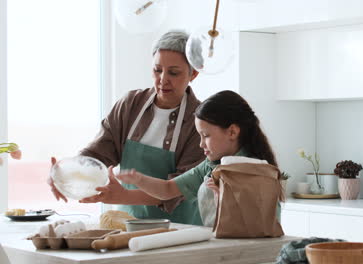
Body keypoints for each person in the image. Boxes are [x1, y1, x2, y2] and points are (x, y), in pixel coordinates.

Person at [47, 30, 206, 225]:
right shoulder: (131, 104)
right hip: (126, 224)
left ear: (194, 73)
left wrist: (122, 196)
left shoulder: (201, 121)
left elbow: (179, 188)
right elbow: (99, 153)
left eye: (173, 72)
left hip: (178, 230)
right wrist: (65, 174)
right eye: (157, 70)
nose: (163, 79)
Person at [114, 90, 282, 226]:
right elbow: (167, 190)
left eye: (206, 135)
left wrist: (226, 200)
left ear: (232, 132)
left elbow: (259, 224)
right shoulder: (209, 166)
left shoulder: (258, 171)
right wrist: (139, 179)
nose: (201, 144)